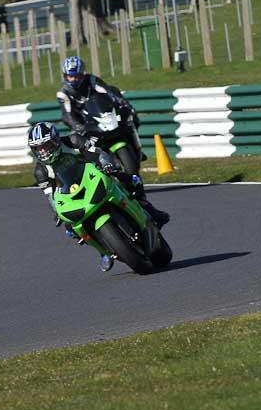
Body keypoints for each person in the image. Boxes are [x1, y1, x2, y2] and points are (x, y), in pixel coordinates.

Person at [28, 121, 169, 272]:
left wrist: (106, 164)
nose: (43, 151)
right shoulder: (41, 171)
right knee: (70, 228)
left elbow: (98, 152)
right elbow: (50, 195)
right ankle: (103, 252)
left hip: (92, 175)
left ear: (55, 140)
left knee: (128, 180)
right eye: (38, 148)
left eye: (46, 145)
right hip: (72, 192)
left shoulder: (72, 141)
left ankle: (153, 212)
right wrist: (56, 211)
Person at [56, 56, 146, 165]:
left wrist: (123, 103)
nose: (74, 79)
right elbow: (68, 114)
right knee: (77, 145)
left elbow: (108, 92)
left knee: (131, 118)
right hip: (84, 122)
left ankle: (135, 147)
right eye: (71, 76)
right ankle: (90, 165)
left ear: (82, 74)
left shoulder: (92, 80)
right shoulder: (63, 93)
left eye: (78, 76)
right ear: (65, 76)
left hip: (102, 113)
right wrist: (78, 126)